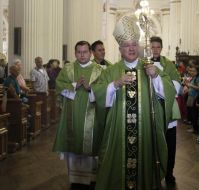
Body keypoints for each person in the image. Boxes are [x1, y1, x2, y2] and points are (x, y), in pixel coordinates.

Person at [92, 16, 179, 190]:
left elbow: (169, 91)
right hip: (118, 130)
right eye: (126, 45)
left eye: (134, 44)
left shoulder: (150, 68)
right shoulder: (111, 71)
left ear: (139, 47)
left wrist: (155, 77)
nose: (131, 48)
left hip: (145, 129)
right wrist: (114, 84)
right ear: (120, 49)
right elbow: (95, 95)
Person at [53, 41, 103, 189]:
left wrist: (90, 88)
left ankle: (92, 177)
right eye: (79, 52)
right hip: (72, 115)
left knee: (91, 143)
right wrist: (75, 85)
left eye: (85, 52)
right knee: (73, 141)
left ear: (90, 53)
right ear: (75, 53)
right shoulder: (68, 69)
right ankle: (75, 178)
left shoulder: (99, 70)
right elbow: (58, 85)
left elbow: (104, 90)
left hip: (93, 116)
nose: (82, 55)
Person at [150, 36, 181, 183]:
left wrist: (160, 85)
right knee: (152, 143)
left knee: (170, 144)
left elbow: (176, 86)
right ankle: (152, 172)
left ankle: (169, 172)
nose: (155, 49)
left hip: (167, 108)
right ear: (150, 48)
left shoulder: (169, 65)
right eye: (153, 47)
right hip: (150, 109)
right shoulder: (144, 63)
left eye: (158, 47)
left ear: (161, 48)